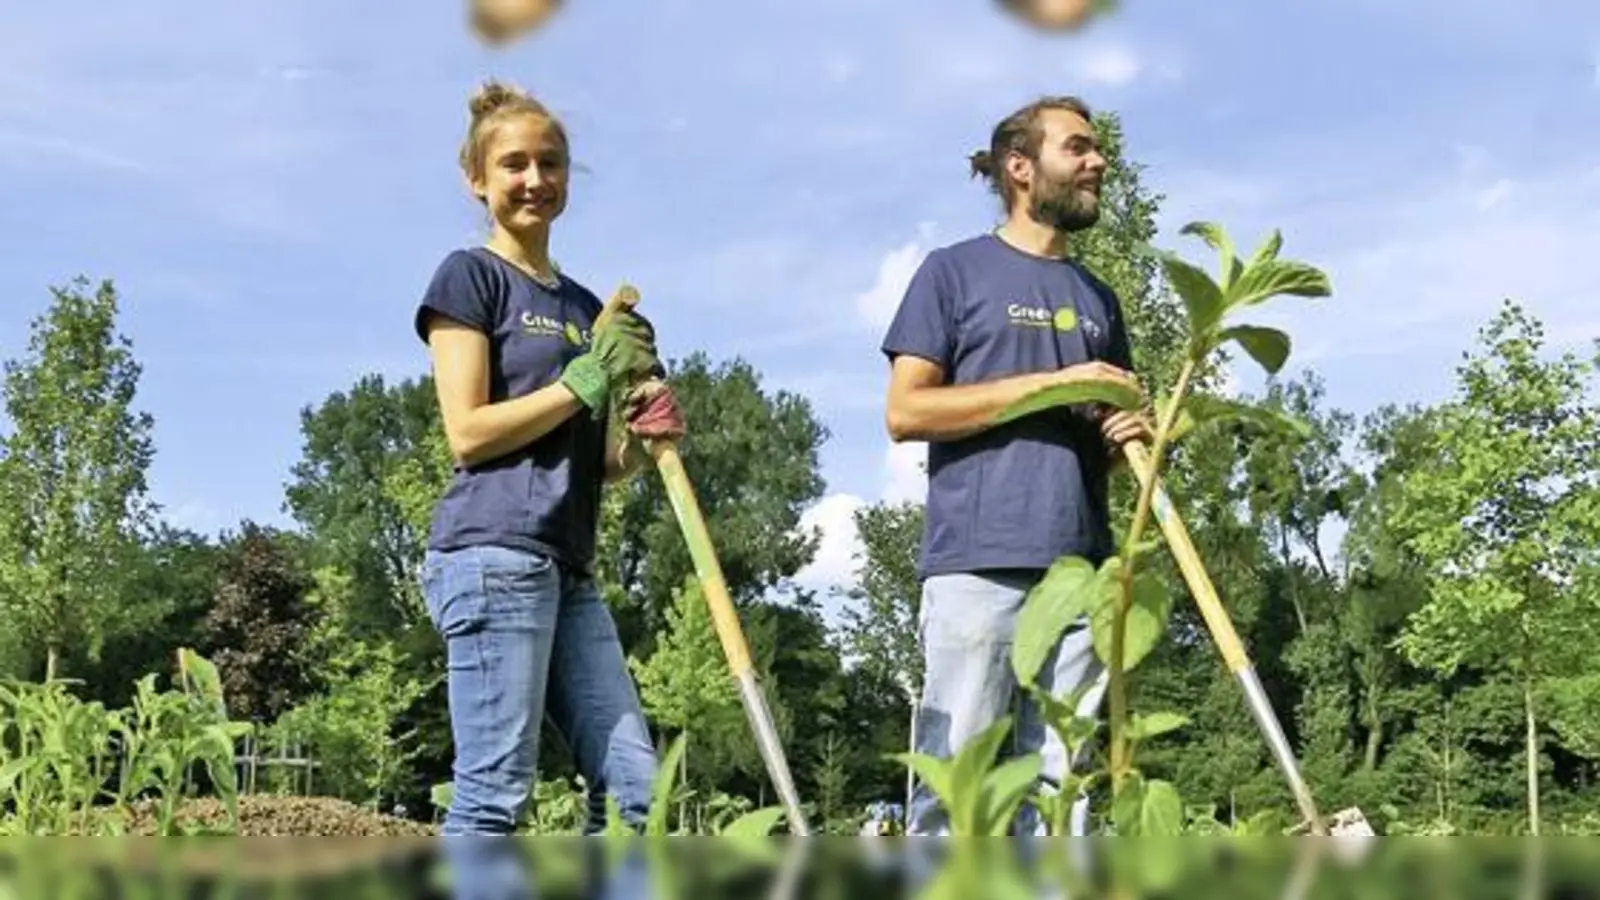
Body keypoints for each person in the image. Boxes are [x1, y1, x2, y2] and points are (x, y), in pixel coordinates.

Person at [413, 79, 683, 839]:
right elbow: (468, 432)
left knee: (637, 792)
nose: (535, 179)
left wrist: (642, 424)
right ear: (478, 179)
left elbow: (601, 462)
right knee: (496, 797)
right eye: (514, 164)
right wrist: (583, 380)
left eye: (551, 163)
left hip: (569, 568)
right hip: (492, 554)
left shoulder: (583, 307)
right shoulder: (470, 278)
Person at [880, 94, 1152, 836]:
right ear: (1021, 168)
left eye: (1099, 149)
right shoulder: (952, 273)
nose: (1099, 162)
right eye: (1079, 148)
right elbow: (907, 412)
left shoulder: (1099, 298)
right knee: (957, 792)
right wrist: (1053, 385)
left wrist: (1123, 433)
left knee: (1060, 800)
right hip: (979, 564)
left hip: (1081, 574)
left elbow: (1100, 439)